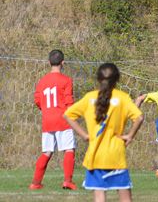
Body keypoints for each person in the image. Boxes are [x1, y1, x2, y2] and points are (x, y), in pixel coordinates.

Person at [64, 63, 144, 202]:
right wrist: (130, 135)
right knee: (125, 198)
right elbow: (139, 117)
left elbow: (68, 115)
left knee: (99, 197)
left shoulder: (89, 97)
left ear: (98, 79)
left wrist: (84, 135)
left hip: (95, 156)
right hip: (116, 156)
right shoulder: (122, 98)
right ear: (117, 79)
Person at [30, 49, 77, 190]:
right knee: (69, 149)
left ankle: (35, 183)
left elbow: (37, 100)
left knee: (47, 151)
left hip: (47, 120)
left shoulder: (42, 81)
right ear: (63, 63)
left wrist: (46, 110)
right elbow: (69, 101)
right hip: (63, 120)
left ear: (49, 62)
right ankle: (67, 181)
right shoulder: (66, 80)